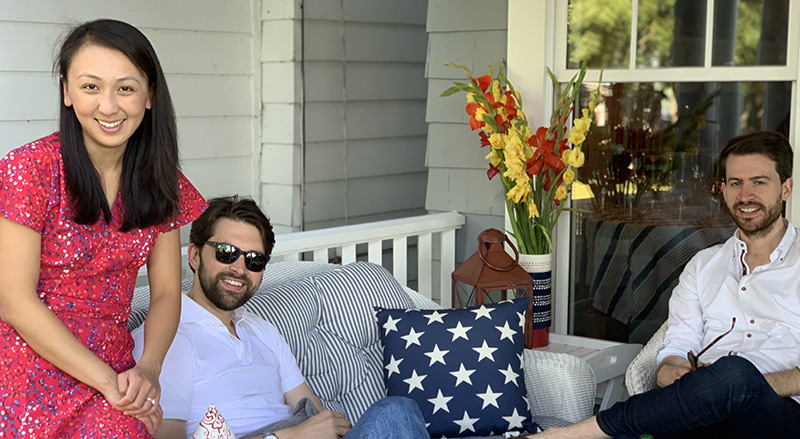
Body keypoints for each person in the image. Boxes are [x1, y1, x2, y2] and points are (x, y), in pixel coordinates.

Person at [0, 19, 206, 438]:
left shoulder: (161, 184)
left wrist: (147, 369)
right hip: (24, 361)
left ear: (150, 95)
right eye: (91, 86)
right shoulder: (30, 169)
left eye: (125, 88)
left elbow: (167, 291)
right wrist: (109, 384)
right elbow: (14, 301)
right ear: (67, 92)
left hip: (113, 368)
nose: (108, 107)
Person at [527, 131, 800, 438]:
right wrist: (672, 368)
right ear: (723, 190)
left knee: (735, 372)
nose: (746, 195)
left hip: (779, 413)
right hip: (702, 406)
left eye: (759, 182)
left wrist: (745, 382)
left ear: (785, 188)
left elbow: (747, 380)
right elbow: (679, 342)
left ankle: (572, 434)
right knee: (713, 388)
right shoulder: (702, 264)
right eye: (736, 183)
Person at [133, 196, 428, 439]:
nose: (239, 268)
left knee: (397, 411)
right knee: (395, 413)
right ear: (194, 256)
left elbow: (315, 413)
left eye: (254, 260)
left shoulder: (261, 329)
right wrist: (290, 437)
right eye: (226, 253)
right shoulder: (167, 337)